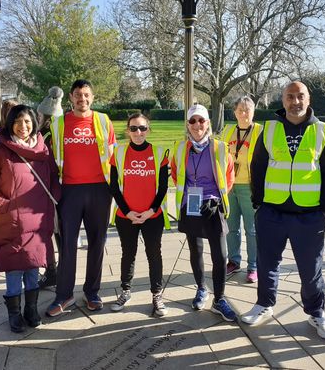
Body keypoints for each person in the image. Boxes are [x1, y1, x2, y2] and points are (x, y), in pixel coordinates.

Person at [241, 81, 325, 340]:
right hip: (272, 212)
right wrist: (259, 203)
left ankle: (316, 313)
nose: (295, 102)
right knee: (267, 264)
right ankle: (264, 305)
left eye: (300, 96)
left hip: (308, 216)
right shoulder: (271, 129)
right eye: (290, 97)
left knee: (311, 270)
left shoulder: (321, 131)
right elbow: (258, 165)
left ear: (309, 99)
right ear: (283, 100)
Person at [0, 105, 61, 333]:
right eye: (17, 122)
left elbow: (54, 177)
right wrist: (3, 205)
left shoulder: (43, 151)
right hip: (12, 220)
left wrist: (53, 198)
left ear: (34, 124)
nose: (23, 126)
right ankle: (14, 314)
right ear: (9, 124)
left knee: (34, 267)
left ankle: (31, 309)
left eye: (27, 121)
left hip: (38, 220)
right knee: (15, 269)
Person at [46, 79, 116, 317]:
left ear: (92, 97)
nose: (82, 99)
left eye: (86, 95)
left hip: (99, 189)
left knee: (98, 241)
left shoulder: (103, 120)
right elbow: (48, 155)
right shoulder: (58, 124)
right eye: (77, 95)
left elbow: (113, 155)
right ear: (71, 97)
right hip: (69, 190)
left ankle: (92, 292)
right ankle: (64, 294)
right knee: (67, 243)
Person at [171, 104, 237, 322]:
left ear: (208, 123)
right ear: (188, 125)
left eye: (201, 121)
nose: (197, 125)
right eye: (193, 121)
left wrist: (216, 196)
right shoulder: (180, 149)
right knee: (195, 250)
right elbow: (175, 174)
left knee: (220, 255)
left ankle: (219, 299)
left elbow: (228, 175)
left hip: (213, 205)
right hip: (191, 203)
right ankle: (201, 289)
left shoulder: (220, 147)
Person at [109, 113, 170, 316]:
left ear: (148, 130)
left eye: (142, 128)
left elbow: (162, 188)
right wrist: (128, 212)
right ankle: (125, 291)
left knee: (154, 254)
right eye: (134, 128)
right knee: (128, 253)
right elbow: (114, 188)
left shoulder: (160, 153)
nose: (138, 132)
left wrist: (149, 211)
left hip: (152, 216)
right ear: (127, 131)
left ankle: (157, 295)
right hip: (126, 216)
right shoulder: (118, 153)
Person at [221, 96, 262, 283]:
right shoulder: (228, 131)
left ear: (253, 111)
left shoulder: (260, 131)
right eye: (240, 110)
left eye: (247, 110)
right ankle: (233, 261)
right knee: (231, 228)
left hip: (250, 186)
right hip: (229, 186)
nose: (244, 113)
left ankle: (254, 266)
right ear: (234, 112)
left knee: (252, 229)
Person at [36, 86, 64, 289]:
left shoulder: (43, 135)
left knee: (53, 232)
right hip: (63, 188)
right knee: (60, 233)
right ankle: (58, 271)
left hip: (48, 190)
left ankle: (54, 272)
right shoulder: (61, 131)